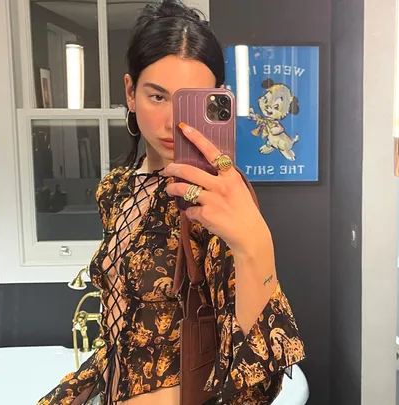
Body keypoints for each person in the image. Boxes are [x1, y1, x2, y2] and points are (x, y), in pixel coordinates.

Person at [36, 1, 306, 404]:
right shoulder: (115, 189)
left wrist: (255, 243)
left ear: (216, 101)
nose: (172, 123)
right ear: (130, 92)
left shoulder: (216, 202)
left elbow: (255, 388)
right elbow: (122, 330)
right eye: (157, 96)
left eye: (188, 103)